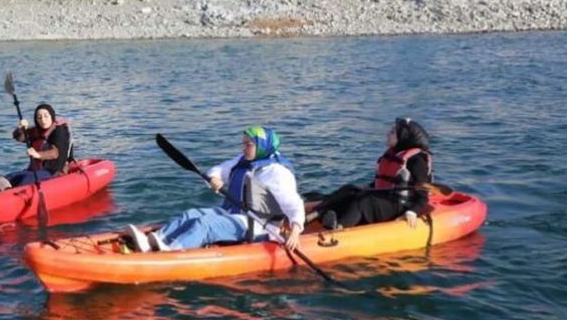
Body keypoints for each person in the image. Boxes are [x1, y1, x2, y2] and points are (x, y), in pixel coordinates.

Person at [127, 126, 305, 253]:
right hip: (231, 212)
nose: (243, 148)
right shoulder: (243, 160)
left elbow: (294, 204)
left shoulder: (277, 172)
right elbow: (220, 170)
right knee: (191, 214)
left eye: (248, 144)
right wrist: (215, 179)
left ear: (262, 146)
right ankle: (156, 240)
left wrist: (296, 231)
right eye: (243, 143)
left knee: (205, 225)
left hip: (258, 225)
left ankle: (171, 252)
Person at [312, 117, 433, 230]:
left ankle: (338, 230)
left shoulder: (417, 161)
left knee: (363, 201)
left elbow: (423, 196)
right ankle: (319, 216)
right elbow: (380, 183)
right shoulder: (393, 155)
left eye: (392, 132)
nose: (387, 134)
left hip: (400, 206)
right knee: (350, 190)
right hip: (383, 200)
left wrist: (412, 211)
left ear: (403, 137)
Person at [0, 103, 73, 190]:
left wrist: (38, 155)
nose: (43, 120)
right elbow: (19, 137)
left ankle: (10, 196)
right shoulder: (37, 131)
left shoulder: (59, 131)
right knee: (9, 177)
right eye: (39, 117)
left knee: (24, 180)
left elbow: (54, 153)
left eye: (46, 116)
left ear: (51, 116)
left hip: (53, 172)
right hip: (35, 170)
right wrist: (21, 128)